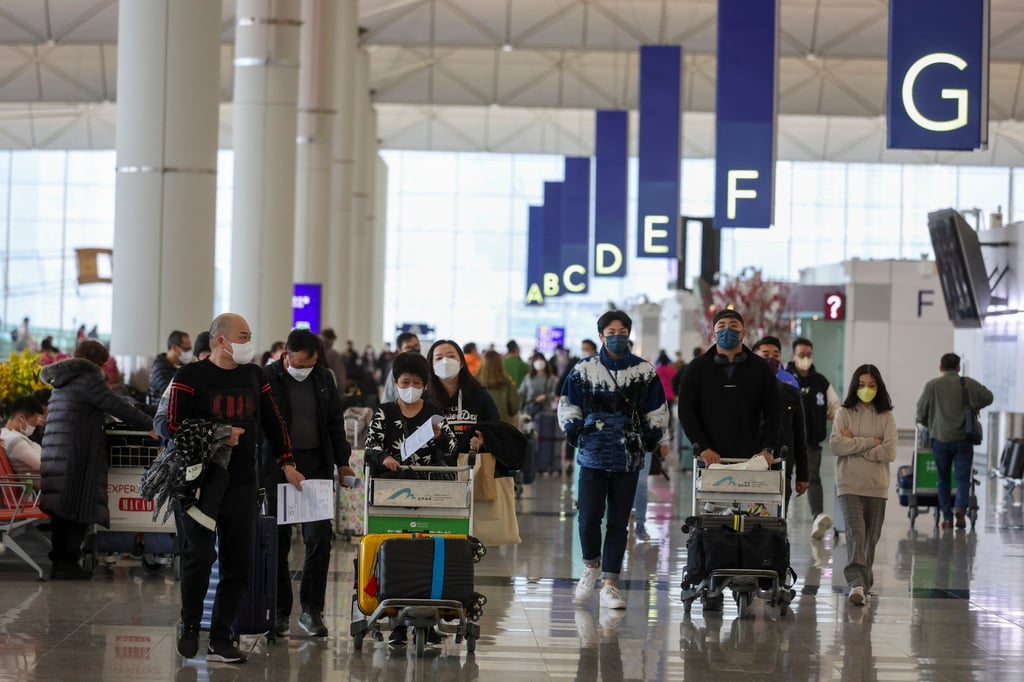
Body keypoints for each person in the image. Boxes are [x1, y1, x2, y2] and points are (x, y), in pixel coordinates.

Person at [168, 313, 300, 664]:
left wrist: (287, 461)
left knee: (238, 563)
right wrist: (220, 433)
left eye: (249, 336)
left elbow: (273, 420)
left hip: (242, 482)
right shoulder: (189, 377)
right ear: (220, 340)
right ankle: (190, 625)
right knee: (198, 557)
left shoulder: (254, 376)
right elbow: (174, 425)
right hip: (200, 483)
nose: (248, 342)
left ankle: (222, 637)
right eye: (242, 336)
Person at [558, 310, 668, 611]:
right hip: (592, 454)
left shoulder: (644, 371)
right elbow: (568, 405)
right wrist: (575, 432)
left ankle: (610, 583)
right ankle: (591, 565)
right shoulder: (584, 369)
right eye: (611, 332)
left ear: (629, 335)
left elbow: (657, 410)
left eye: (622, 332)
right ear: (601, 336)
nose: (617, 337)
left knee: (619, 521)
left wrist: (650, 438)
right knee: (588, 517)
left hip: (628, 457)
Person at [676, 309, 780, 612]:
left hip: (752, 461)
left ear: (744, 333)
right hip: (712, 461)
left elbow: (773, 412)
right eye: (721, 325)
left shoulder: (759, 370)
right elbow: (687, 412)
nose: (727, 330)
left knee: (752, 521)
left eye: (734, 325)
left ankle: (748, 575)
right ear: (712, 332)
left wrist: (767, 450)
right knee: (712, 521)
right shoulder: (698, 369)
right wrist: (702, 448)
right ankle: (712, 583)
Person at [363, 352, 458, 651]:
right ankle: (397, 622)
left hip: (428, 492)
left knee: (426, 553)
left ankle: (427, 620)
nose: (411, 388)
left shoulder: (433, 412)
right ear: (395, 383)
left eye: (417, 383)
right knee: (396, 553)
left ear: (425, 384)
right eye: (405, 382)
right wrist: (384, 458)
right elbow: (370, 447)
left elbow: (452, 449)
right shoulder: (385, 412)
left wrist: (440, 437)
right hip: (390, 492)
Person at [264, 329, 354, 638]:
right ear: (285, 355)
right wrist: (284, 463)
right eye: (300, 364)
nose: (305, 370)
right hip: (277, 468)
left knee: (319, 538)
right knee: (277, 540)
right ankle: (278, 610)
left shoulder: (323, 378)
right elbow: (262, 428)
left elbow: (334, 423)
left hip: (316, 466)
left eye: (311, 364)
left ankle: (311, 610)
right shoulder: (267, 378)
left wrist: (343, 462)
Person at [38, 340, 153, 580]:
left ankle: (60, 565)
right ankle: (68, 566)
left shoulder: (63, 380)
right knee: (79, 506)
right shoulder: (88, 377)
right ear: (97, 362)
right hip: (77, 452)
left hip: (56, 452)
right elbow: (115, 405)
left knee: (61, 511)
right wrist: (150, 425)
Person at [830, 364, 897, 606]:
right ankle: (856, 583)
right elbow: (836, 445)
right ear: (854, 386)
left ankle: (863, 584)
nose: (866, 389)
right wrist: (870, 443)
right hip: (848, 483)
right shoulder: (844, 413)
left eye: (871, 385)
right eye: (861, 385)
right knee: (856, 532)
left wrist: (856, 445)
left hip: (876, 485)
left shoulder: (886, 416)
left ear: (878, 387)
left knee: (871, 537)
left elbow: (889, 451)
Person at [915, 352, 993, 529]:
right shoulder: (967, 383)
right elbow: (989, 396)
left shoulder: (932, 386)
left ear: (940, 367)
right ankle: (960, 509)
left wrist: (932, 425)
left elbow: (920, 414)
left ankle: (947, 518)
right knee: (963, 478)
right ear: (958, 367)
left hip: (940, 440)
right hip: (963, 440)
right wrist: (974, 406)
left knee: (943, 479)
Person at [786, 337, 841, 539]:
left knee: (812, 477)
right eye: (801, 355)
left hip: (810, 441)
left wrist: (842, 427)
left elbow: (835, 408)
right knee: (783, 478)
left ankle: (818, 518)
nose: (805, 358)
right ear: (793, 356)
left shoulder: (820, 382)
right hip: (786, 441)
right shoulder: (783, 378)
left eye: (809, 355)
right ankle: (777, 517)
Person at [752, 336, 810, 511]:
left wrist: (803, 474)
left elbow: (799, 436)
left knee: (777, 518)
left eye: (776, 355)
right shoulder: (743, 393)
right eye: (766, 354)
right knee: (750, 519)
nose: (772, 359)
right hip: (749, 467)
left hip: (782, 466)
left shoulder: (791, 393)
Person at [427, 339, 501, 454]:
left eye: (451, 356)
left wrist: (483, 441)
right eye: (439, 358)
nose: (445, 362)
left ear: (461, 362)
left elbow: (495, 426)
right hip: (436, 462)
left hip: (472, 460)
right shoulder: (426, 398)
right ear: (431, 365)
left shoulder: (479, 394)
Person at [1, 395, 46, 479]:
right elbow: (44, 465)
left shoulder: (8, 434)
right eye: (34, 421)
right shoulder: (15, 440)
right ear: (21, 419)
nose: (35, 426)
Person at [148, 330, 193, 406]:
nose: (189, 353)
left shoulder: (185, 367)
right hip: (162, 410)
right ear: (174, 347)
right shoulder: (159, 368)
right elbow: (171, 393)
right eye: (186, 349)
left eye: (190, 349)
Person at [477, 349, 521, 424]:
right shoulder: (506, 382)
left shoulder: (474, 382)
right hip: (501, 425)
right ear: (500, 364)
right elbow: (514, 406)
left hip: (479, 426)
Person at [381, 332, 421, 403]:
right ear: (400, 350)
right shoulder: (395, 371)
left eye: (416, 346)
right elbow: (387, 399)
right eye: (408, 347)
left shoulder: (427, 369)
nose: (413, 350)